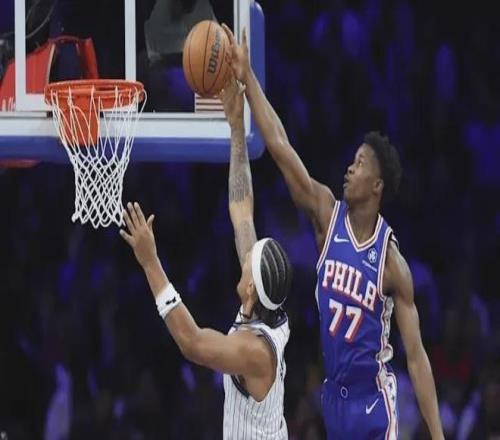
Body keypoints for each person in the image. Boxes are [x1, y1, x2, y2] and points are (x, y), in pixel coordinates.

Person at [222, 25, 444, 439]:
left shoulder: (391, 263)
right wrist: (248, 79)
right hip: (333, 400)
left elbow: (416, 359)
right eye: (352, 161)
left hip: (374, 403)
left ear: (377, 186)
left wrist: (437, 435)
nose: (349, 168)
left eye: (359, 165)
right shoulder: (326, 215)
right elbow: (281, 147)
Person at [120, 77, 293, 439]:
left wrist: (150, 262)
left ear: (251, 288)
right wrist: (236, 128)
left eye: (248, 262)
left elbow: (193, 343)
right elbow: (242, 210)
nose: (244, 256)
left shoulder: (256, 351)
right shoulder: (262, 299)